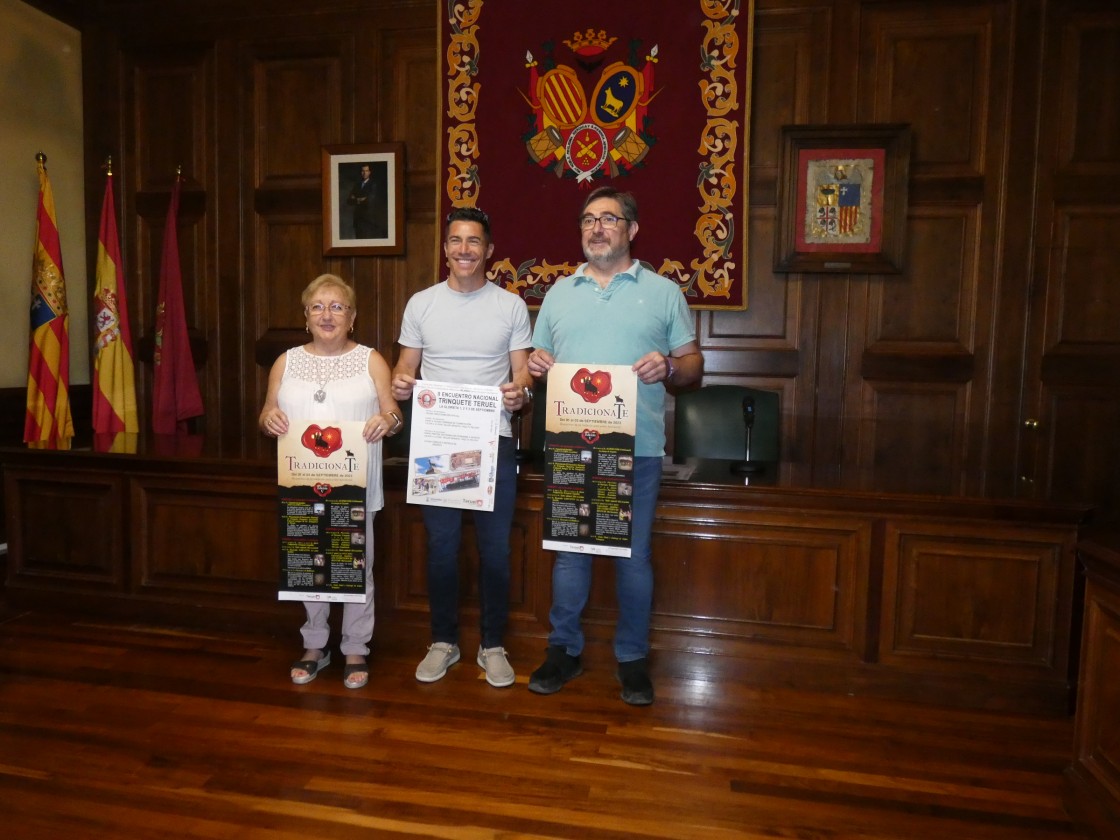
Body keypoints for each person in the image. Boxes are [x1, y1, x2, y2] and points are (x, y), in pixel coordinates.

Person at [526, 186, 703, 706]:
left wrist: (670, 367)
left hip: (637, 448)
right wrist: (536, 365)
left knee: (633, 558)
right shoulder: (559, 293)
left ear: (632, 229)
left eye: (608, 218)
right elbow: (540, 359)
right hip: (569, 446)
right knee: (570, 556)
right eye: (587, 219)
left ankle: (632, 657)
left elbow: (692, 368)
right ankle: (565, 651)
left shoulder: (664, 292)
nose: (596, 227)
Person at [391, 207, 534, 688]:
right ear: (446, 249)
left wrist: (520, 393)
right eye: (456, 241)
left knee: (495, 550)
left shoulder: (510, 306)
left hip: (493, 440)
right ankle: (443, 641)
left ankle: (492, 644)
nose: (465, 249)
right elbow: (404, 367)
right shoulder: (421, 303)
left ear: (489, 250)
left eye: (474, 241)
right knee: (442, 547)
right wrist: (401, 382)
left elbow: (522, 374)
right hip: (436, 441)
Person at [259, 273, 402, 690]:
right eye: (318, 306)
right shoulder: (285, 361)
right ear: (305, 316)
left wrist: (385, 420)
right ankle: (315, 643)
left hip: (354, 484)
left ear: (352, 317)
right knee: (309, 560)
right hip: (302, 482)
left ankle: (356, 646)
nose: (327, 314)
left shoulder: (371, 359)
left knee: (358, 563)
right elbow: (266, 414)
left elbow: (395, 414)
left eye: (337, 307)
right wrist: (268, 419)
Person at [346, 163, 386, 239]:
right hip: (357, 219)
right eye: (363, 171)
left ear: (369, 172)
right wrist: (360, 199)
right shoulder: (357, 185)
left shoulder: (373, 185)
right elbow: (349, 201)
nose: (364, 173)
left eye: (366, 171)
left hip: (368, 220)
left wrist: (355, 198)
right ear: (361, 172)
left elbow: (369, 201)